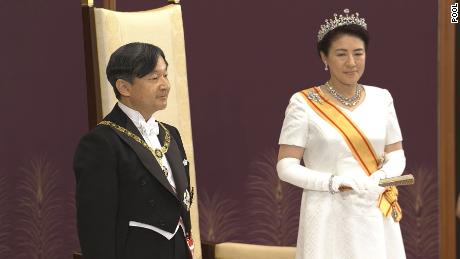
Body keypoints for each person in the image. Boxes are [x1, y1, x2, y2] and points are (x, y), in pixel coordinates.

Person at [276, 9, 406, 259]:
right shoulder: (304, 103)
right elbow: (286, 166)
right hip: (328, 211)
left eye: (358, 54)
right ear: (324, 57)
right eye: (341, 54)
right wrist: (333, 183)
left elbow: (396, 154)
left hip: (375, 207)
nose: (352, 63)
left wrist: (380, 177)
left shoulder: (382, 98)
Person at [74, 42, 194, 259]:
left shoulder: (171, 134)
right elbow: (95, 228)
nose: (165, 84)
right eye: (153, 78)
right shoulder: (101, 143)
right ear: (124, 87)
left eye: (165, 75)